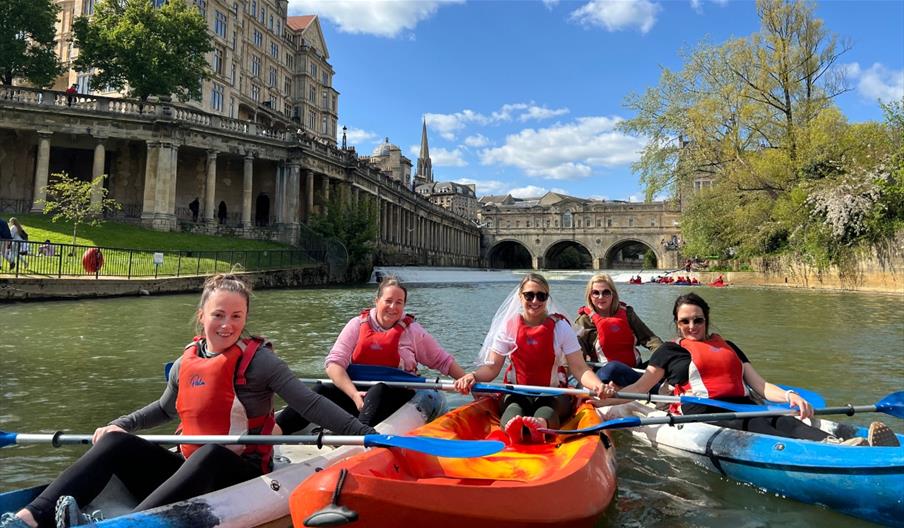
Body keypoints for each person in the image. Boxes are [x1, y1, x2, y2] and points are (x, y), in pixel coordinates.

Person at [0, 274, 377, 528]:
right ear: (202, 316)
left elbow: (309, 404)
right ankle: (30, 518)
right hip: (188, 465)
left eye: (236, 316)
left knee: (211, 453)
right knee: (116, 441)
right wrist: (123, 424)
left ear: (245, 318)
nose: (227, 325)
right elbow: (165, 409)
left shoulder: (262, 361)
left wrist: (365, 434)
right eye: (218, 315)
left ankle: (128, 523)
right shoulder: (186, 360)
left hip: (239, 469)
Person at [593, 292, 899, 447]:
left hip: (743, 403)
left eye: (697, 320)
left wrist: (789, 395)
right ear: (677, 323)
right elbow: (642, 387)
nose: (692, 326)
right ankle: (841, 452)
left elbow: (761, 385)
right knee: (760, 428)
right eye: (685, 321)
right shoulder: (669, 351)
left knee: (783, 420)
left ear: (706, 320)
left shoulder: (730, 345)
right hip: (705, 410)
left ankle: (841, 443)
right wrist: (606, 397)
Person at [276, 276, 469, 434]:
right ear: (377, 301)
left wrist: (467, 382)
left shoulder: (413, 332)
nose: (393, 307)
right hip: (356, 393)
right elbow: (334, 364)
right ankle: (272, 434)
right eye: (388, 301)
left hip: (394, 394)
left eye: (399, 302)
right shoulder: (356, 325)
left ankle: (353, 440)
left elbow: (443, 361)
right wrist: (354, 395)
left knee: (378, 391)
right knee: (318, 390)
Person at [454, 273, 605, 443]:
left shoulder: (560, 327)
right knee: (513, 410)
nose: (535, 301)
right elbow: (492, 368)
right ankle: (514, 428)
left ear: (547, 298)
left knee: (546, 411)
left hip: (552, 392)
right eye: (529, 295)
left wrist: (598, 385)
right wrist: (472, 376)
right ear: (520, 297)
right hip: (517, 392)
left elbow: (579, 368)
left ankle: (539, 426)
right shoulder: (509, 327)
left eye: (541, 296)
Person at [573, 273, 663, 388]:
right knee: (613, 367)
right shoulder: (583, 320)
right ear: (590, 296)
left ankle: (650, 386)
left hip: (635, 371)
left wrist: (664, 356)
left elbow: (650, 339)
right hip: (605, 373)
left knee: (668, 352)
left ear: (613, 295)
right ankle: (653, 388)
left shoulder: (627, 313)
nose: (601, 297)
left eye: (606, 292)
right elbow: (577, 354)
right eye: (596, 293)